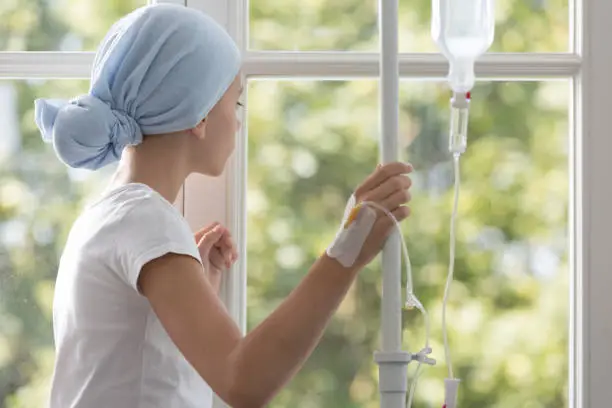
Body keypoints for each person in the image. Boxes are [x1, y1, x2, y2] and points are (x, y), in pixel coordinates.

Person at [34, 4, 413, 408]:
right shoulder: (146, 220)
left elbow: (129, 366)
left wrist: (193, 283)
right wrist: (347, 253)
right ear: (197, 116)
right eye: (235, 103)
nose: (237, 122)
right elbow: (243, 381)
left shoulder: (104, 217)